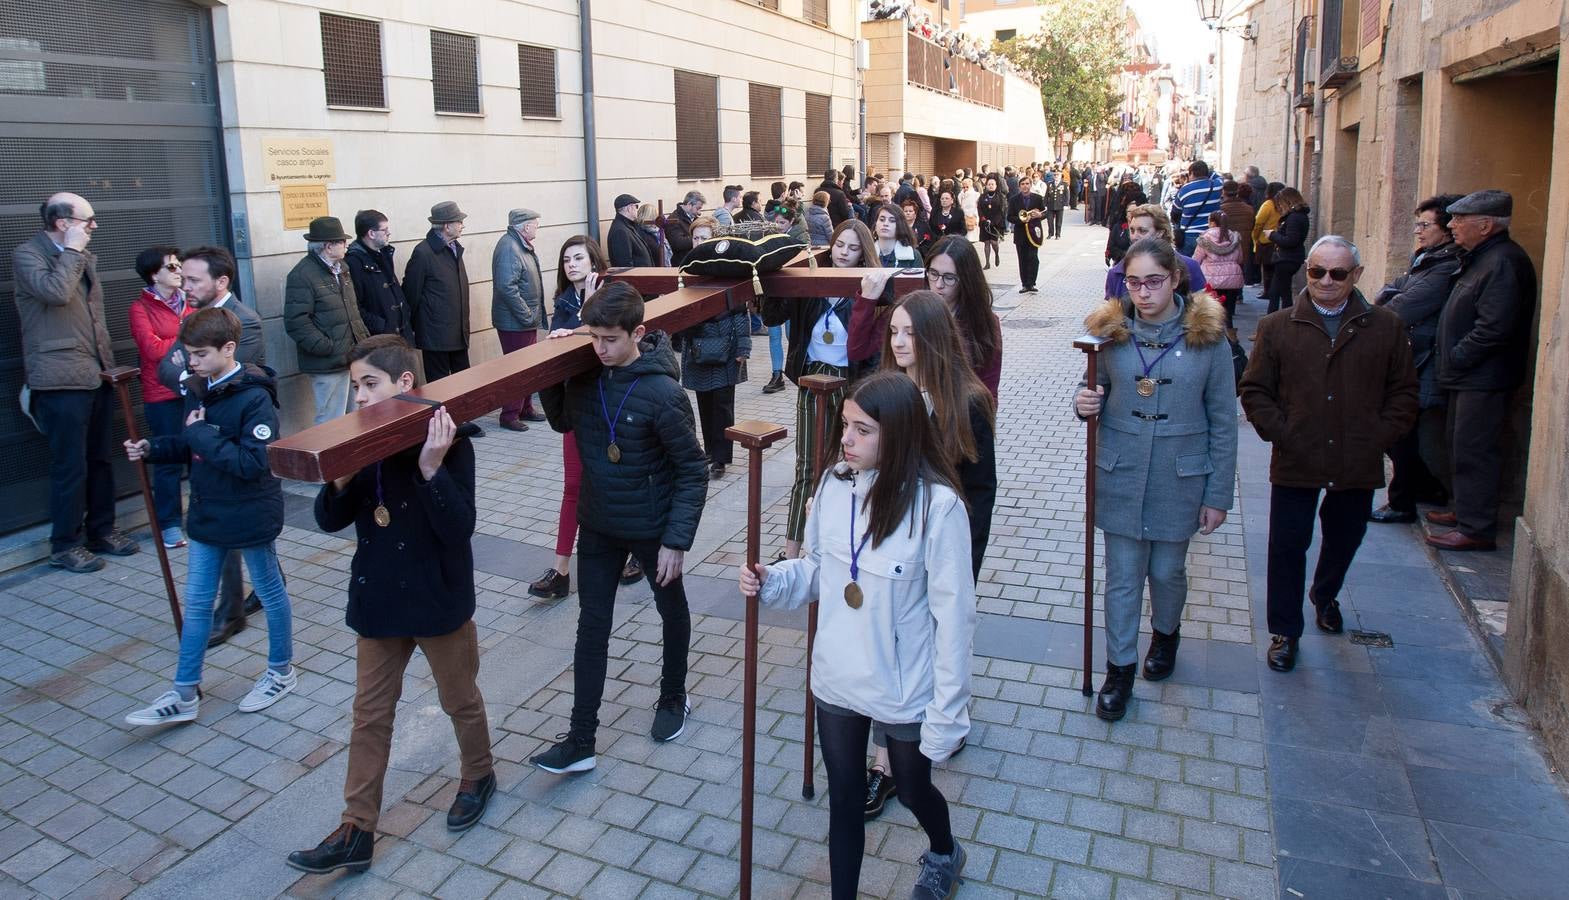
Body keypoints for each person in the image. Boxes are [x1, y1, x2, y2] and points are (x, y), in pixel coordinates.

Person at [739, 371, 975, 900]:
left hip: (902, 686)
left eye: (862, 430)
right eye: (846, 425)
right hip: (838, 676)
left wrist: (947, 717)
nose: (845, 439)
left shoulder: (938, 509)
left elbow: (955, 624)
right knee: (843, 799)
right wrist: (774, 578)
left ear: (900, 434)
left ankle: (944, 850)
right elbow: (821, 571)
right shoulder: (832, 485)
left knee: (913, 788)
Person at [286, 335, 493, 874]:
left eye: (369, 384)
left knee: (459, 698)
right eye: (355, 386)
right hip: (378, 598)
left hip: (435, 595)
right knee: (369, 715)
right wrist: (339, 481)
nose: (358, 397)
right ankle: (357, 829)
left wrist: (430, 469)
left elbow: (458, 528)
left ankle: (479, 773)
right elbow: (330, 521)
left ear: (405, 384)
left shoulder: (451, 441)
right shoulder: (359, 444)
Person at [532, 282, 708, 773]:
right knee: (592, 627)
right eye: (593, 338)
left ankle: (673, 696)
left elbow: (693, 470)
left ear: (639, 333)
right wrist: (550, 371)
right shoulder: (588, 378)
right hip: (599, 525)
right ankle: (581, 740)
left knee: (671, 610)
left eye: (610, 339)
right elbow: (564, 421)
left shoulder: (664, 393)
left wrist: (676, 540)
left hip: (652, 530)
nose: (600, 348)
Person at [1074, 237, 1237, 719]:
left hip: (1180, 476)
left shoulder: (1206, 339)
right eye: (1134, 282)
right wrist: (1084, 403)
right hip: (1120, 471)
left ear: (1175, 279)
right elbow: (1091, 389)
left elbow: (1224, 421)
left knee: (1167, 572)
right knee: (1122, 577)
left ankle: (1166, 635)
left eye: (1153, 281)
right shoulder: (1109, 332)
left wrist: (1218, 495)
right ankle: (1118, 670)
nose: (1143, 293)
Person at [1240, 236, 1419, 672]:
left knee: (1344, 538)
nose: (1325, 281)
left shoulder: (1386, 327)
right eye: (1317, 271)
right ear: (1306, 269)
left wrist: (1377, 437)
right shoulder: (1278, 326)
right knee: (1287, 546)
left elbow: (1404, 394)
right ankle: (1285, 630)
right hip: (1297, 457)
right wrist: (1282, 433)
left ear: (1355, 276)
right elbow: (1255, 389)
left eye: (1338, 273)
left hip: (1356, 460)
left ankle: (1325, 592)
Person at [122, 307, 297, 724]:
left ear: (228, 349)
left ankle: (281, 671)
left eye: (199, 354)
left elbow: (252, 462)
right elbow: (192, 445)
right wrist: (154, 449)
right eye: (189, 354)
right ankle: (184, 691)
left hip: (249, 512)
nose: (191, 363)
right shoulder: (200, 391)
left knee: (271, 593)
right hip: (206, 512)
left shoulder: (254, 397)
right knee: (198, 603)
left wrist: (201, 434)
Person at [14, 192, 137, 573]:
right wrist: (71, 251)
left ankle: (102, 530)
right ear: (62, 223)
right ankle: (65, 544)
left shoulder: (78, 256)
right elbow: (55, 293)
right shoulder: (28, 255)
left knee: (100, 458)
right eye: (87, 220)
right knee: (70, 464)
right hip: (57, 378)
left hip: (95, 372)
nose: (94, 226)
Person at [527, 237, 644, 598]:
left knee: (624, 480)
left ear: (594, 261)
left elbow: (605, 345)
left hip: (612, 403)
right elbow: (560, 346)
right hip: (578, 407)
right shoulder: (562, 302)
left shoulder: (613, 296)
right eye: (566, 260)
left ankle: (637, 552)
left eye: (578, 257)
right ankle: (561, 570)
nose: (572, 264)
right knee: (573, 488)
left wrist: (585, 312)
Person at [1427, 189, 1538, 552]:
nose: (1452, 225)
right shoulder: (1481, 257)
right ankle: (1465, 510)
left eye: (1460, 220)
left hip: (1482, 376)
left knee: (1476, 448)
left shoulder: (1503, 261)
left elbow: (1494, 328)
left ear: (1486, 225)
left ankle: (1477, 526)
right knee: (1461, 445)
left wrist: (1457, 356)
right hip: (1468, 375)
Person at [765, 220, 882, 560]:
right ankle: (791, 553)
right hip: (812, 376)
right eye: (840, 245)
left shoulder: (870, 286)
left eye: (853, 247)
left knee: (852, 465)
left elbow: (869, 348)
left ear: (864, 252)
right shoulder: (813, 279)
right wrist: (768, 278)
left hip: (851, 381)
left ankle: (848, 547)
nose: (844, 252)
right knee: (807, 466)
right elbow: (774, 315)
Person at [1368, 194, 1463, 524]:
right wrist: (1392, 294)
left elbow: (1403, 306)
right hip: (1413, 355)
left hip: (1425, 359)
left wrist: (1391, 299)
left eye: (1425, 225)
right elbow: (1393, 287)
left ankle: (1403, 501)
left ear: (1448, 228)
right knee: (1400, 431)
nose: (1418, 231)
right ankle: (1426, 486)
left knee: (1400, 430)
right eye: (1417, 224)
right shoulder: (1428, 259)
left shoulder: (1447, 265)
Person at [677, 216, 751, 480]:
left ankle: (721, 457)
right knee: (704, 402)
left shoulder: (730, 269)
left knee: (722, 404)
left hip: (725, 347)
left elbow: (742, 314)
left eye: (705, 238)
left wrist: (743, 347)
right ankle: (709, 450)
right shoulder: (687, 269)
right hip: (697, 346)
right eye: (696, 238)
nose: (700, 242)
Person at [129, 245, 191, 550]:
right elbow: (151, 349)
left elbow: (208, 337)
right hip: (161, 393)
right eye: (172, 267)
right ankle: (169, 524)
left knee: (199, 454)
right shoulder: (140, 308)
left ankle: (201, 516)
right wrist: (187, 343)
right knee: (167, 461)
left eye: (179, 266)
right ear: (154, 274)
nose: (179, 271)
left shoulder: (191, 302)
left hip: (193, 387)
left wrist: (177, 344)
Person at [285, 216, 370, 426]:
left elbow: (352, 311)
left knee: (355, 414)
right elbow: (296, 321)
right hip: (327, 362)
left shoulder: (342, 268)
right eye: (342, 242)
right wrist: (327, 347)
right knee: (332, 420)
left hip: (350, 357)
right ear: (328, 246)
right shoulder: (302, 275)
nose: (346, 245)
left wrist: (363, 340)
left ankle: (355, 459)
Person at [404, 201, 474, 384]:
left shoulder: (454, 248)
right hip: (435, 337)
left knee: (464, 385)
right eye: (459, 221)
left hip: (458, 333)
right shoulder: (423, 252)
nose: (462, 225)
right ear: (446, 225)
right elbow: (411, 293)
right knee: (440, 387)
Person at [493, 208, 548, 431]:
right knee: (517, 369)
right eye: (535, 224)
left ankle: (525, 407)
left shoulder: (518, 243)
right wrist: (526, 315)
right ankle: (509, 414)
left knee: (528, 367)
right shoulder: (509, 247)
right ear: (525, 226)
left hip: (524, 320)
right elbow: (506, 287)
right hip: (516, 322)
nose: (537, 227)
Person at [1103, 204, 1206, 301]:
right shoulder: (1117, 273)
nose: (1134, 236)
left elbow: (1201, 311)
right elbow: (1110, 315)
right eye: (1132, 230)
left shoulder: (1190, 267)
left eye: (1142, 231)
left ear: (1160, 232)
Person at [346, 210, 414, 343]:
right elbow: (355, 307)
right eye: (384, 230)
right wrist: (382, 326)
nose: (388, 233)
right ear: (371, 233)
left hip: (401, 335)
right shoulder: (354, 263)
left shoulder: (383, 254)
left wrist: (405, 314)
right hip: (380, 339)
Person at [1191, 211, 1244, 333]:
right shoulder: (1234, 238)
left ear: (1212, 222)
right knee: (1228, 313)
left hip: (1211, 280)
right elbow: (1240, 259)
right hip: (1233, 280)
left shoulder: (1205, 238)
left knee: (1212, 311)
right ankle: (1232, 339)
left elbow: (1196, 260)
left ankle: (1215, 338)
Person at [1262, 187, 1310, 314]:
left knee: (1276, 292)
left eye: (1280, 204)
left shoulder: (1295, 217)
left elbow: (1290, 240)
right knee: (1283, 292)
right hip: (1289, 258)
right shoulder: (1298, 216)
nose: (1280, 207)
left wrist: (1272, 235)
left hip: (1287, 259)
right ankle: (1283, 319)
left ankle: (1273, 322)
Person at [1171, 161, 1223, 255]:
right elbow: (1218, 176)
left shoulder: (1184, 190)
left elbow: (1175, 212)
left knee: (1187, 266)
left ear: (1191, 173)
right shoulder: (1217, 185)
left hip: (1190, 235)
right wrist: (1208, 172)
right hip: (1212, 234)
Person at [1009, 172, 1046, 293]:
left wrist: (1040, 215)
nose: (1025, 186)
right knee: (1023, 259)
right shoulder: (1014, 200)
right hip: (1020, 233)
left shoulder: (1038, 198)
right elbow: (1010, 217)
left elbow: (1045, 212)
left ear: (1030, 185)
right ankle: (1025, 284)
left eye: (1027, 184)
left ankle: (1032, 283)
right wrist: (1021, 219)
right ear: (1019, 186)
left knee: (1033, 258)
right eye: (1022, 184)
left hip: (1034, 233)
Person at [1253, 182, 1284, 299]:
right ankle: (1275, 291)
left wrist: (1255, 237)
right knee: (1275, 269)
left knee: (1267, 270)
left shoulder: (1268, 204)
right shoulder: (1283, 205)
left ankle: (1268, 292)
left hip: (1266, 240)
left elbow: (1258, 222)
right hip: (1278, 239)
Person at [606, 193, 653, 268]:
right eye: (636, 206)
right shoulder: (620, 231)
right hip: (636, 278)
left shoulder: (627, 226)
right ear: (629, 208)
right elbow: (624, 265)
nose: (637, 209)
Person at [871, 202, 920, 269]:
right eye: (882, 220)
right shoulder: (866, 254)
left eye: (892, 220)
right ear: (875, 224)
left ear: (900, 226)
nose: (885, 224)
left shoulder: (913, 255)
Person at [665, 191, 703, 267]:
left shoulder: (694, 218)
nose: (699, 213)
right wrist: (700, 238)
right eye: (698, 208)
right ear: (689, 204)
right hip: (682, 264)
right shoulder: (673, 220)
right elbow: (678, 243)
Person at [977, 175, 1007, 269]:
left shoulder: (1000, 197)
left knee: (994, 242)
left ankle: (997, 254)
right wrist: (983, 219)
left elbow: (1001, 211)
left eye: (992, 184)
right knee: (986, 242)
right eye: (989, 184)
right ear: (986, 185)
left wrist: (994, 221)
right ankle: (987, 262)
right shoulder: (982, 197)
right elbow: (979, 209)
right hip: (985, 222)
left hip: (996, 223)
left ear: (996, 185)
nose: (990, 186)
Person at [1042, 171, 1070, 239]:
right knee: (1050, 221)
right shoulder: (1050, 184)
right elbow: (1046, 195)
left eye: (1058, 175)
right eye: (1055, 175)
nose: (1056, 176)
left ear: (1060, 176)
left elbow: (1067, 195)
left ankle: (1058, 234)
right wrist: (1045, 204)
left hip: (1060, 205)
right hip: (1050, 205)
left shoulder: (1064, 184)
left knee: (1059, 221)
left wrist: (1066, 204)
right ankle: (1050, 233)